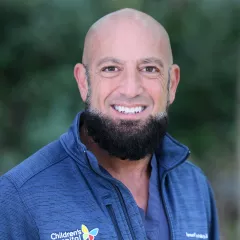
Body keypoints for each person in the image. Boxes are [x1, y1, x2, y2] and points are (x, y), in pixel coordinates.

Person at [0, 8, 219, 240]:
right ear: (84, 82)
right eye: (111, 69)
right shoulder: (18, 198)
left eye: (149, 69)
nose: (131, 89)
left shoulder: (194, 186)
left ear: (172, 84)